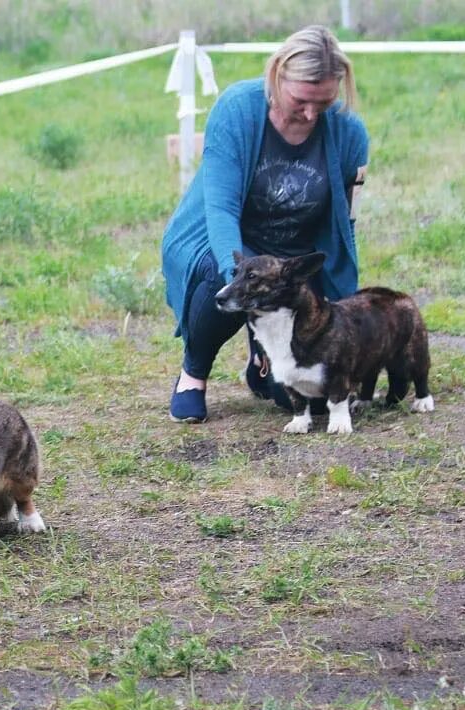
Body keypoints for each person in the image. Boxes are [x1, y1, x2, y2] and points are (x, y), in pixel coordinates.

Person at [161, 25, 368, 423]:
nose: (311, 114)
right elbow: (219, 210)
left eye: (323, 103)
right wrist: (240, 277)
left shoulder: (349, 132)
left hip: (293, 254)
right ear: (278, 75)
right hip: (222, 239)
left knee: (288, 395)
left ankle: (264, 359)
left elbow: (345, 224)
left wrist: (345, 300)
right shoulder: (237, 110)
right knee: (215, 280)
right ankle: (194, 373)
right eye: (302, 101)